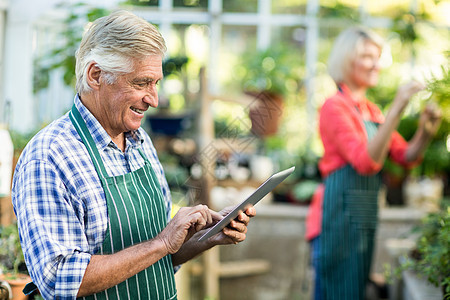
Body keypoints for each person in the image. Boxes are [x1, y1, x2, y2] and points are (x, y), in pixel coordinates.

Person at [11, 10, 255, 299]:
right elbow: (59, 278)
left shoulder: (140, 142)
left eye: (156, 83)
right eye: (141, 83)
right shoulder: (50, 156)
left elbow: (156, 259)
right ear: (96, 75)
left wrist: (205, 238)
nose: (153, 99)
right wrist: (163, 241)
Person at [305, 26, 441, 300]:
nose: (377, 65)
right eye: (368, 56)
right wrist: (397, 108)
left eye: (378, 57)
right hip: (336, 219)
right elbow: (366, 162)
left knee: (353, 291)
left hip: (361, 218)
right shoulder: (335, 107)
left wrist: (426, 133)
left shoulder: (370, 111)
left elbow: (405, 156)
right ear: (347, 60)